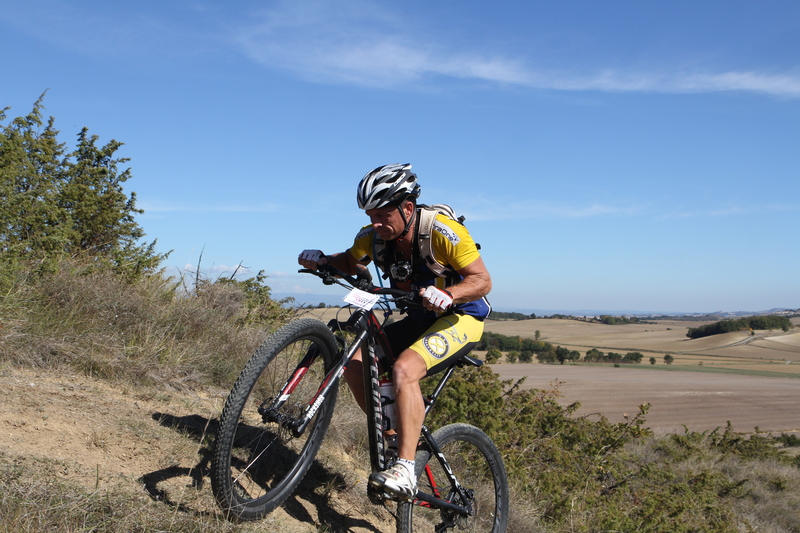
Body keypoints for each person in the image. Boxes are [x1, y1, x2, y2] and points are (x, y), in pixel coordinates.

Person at [298, 163, 491, 500]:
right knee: (355, 365)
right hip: (418, 319)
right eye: (370, 215)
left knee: (404, 369)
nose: (375, 222)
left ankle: (404, 468)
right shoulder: (372, 236)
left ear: (407, 208)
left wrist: (448, 294)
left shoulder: (442, 232)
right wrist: (323, 259)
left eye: (382, 215)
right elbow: (350, 262)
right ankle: (391, 437)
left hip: (460, 317)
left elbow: (482, 280)